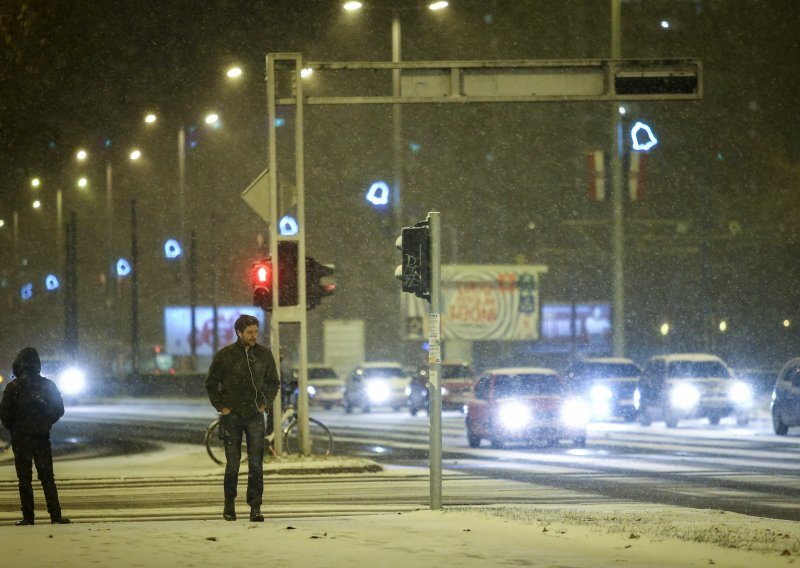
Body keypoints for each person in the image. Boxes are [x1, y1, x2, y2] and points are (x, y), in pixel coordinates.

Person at [205, 314, 280, 522]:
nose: (254, 336)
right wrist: (222, 406)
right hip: (233, 416)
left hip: (255, 414)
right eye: (250, 332)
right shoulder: (225, 355)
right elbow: (211, 383)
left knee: (256, 463)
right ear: (239, 333)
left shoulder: (264, 355)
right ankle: (229, 505)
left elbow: (274, 382)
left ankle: (255, 507)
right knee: (233, 464)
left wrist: (264, 402)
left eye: (256, 332)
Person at [0, 347, 70, 525]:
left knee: (24, 479)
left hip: (20, 438)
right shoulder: (48, 385)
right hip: (41, 437)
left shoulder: (12, 388)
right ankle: (55, 515)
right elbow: (59, 409)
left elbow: (5, 414)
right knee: (47, 478)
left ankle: (28, 517)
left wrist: (15, 428)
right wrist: (45, 422)